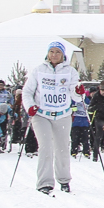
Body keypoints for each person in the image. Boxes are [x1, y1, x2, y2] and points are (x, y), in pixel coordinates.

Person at [25, 40, 78, 193]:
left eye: (58, 52)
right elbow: (27, 92)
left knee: (62, 148)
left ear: (63, 55)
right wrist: (30, 106)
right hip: (42, 114)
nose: (54, 55)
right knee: (45, 147)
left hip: (62, 114)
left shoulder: (70, 71)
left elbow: (75, 94)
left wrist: (78, 91)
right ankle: (44, 183)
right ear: (47, 54)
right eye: (51, 52)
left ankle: (64, 180)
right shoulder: (38, 70)